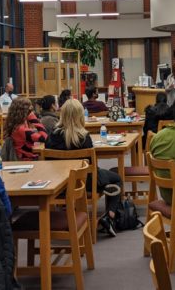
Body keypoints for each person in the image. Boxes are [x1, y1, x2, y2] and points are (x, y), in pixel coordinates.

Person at [46, 99, 123, 237]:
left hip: (59, 184)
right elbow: (91, 166)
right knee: (116, 178)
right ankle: (110, 216)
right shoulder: (84, 137)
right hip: (85, 183)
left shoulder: (51, 137)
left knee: (104, 176)